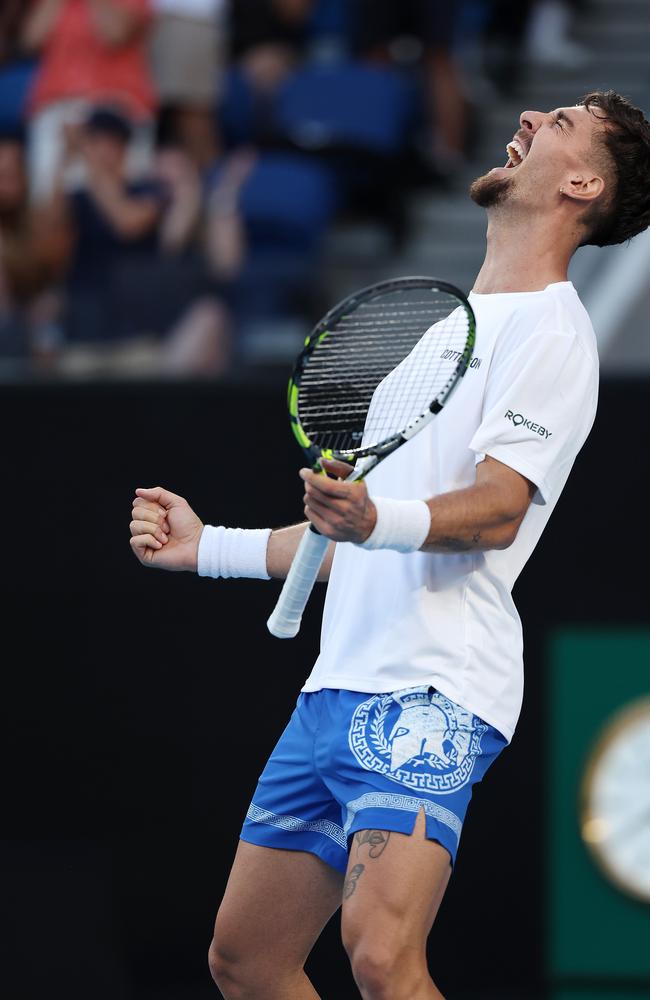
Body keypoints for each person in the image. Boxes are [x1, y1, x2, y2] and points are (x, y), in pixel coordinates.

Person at [128, 90, 650, 998]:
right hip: (337, 683)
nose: (530, 118)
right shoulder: (442, 340)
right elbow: (355, 537)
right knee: (246, 959)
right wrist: (206, 546)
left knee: (379, 954)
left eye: (561, 123)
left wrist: (375, 519)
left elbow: (496, 510)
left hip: (432, 688)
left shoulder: (557, 335)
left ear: (581, 182)